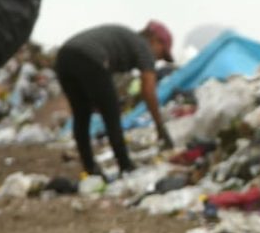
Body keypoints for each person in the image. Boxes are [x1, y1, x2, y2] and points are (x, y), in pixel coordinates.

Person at [55, 21, 175, 176]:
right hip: (89, 56)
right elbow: (148, 91)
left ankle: (90, 168)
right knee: (111, 114)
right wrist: (160, 126)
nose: (159, 59)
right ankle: (126, 166)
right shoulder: (144, 47)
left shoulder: (129, 40)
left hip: (64, 56)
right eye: (162, 53)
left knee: (82, 113)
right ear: (155, 40)